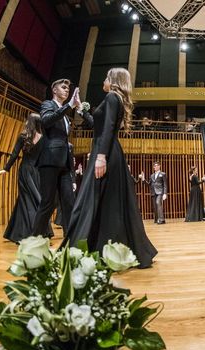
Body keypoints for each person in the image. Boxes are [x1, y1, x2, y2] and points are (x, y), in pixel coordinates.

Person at [63, 68, 157, 268]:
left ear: (114, 81)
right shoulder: (113, 99)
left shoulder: (113, 97)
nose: (104, 80)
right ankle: (103, 247)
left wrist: (101, 157)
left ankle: (104, 248)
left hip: (105, 153)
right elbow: (97, 126)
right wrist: (81, 109)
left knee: (100, 202)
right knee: (102, 203)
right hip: (104, 150)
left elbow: (108, 128)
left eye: (107, 77)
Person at [0, 113, 53, 243]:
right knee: (32, 199)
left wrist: (6, 168)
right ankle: (33, 231)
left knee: (27, 200)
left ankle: (30, 233)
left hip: (25, 171)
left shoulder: (23, 136)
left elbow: (14, 154)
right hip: (37, 172)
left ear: (30, 122)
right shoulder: (43, 138)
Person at [32, 78, 79, 238]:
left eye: (68, 88)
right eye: (63, 87)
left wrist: (72, 172)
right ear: (54, 90)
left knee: (69, 202)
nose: (67, 90)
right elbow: (46, 121)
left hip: (64, 164)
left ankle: (71, 239)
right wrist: (69, 106)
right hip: (49, 160)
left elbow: (66, 143)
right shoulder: (48, 104)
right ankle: (34, 240)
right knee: (48, 203)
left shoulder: (65, 116)